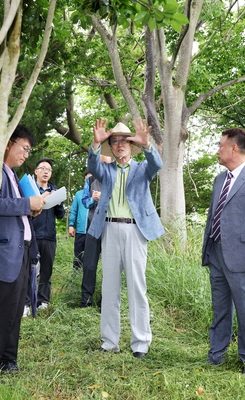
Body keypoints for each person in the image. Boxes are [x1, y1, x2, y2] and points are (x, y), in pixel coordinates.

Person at [87, 118, 164, 359]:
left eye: (124, 141)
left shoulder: (142, 169)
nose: (120, 144)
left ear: (132, 146)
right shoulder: (106, 170)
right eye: (115, 141)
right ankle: (110, 341)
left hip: (135, 230)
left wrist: (148, 144)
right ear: (111, 146)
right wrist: (95, 144)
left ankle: (140, 342)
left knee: (137, 287)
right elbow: (93, 164)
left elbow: (158, 164)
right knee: (109, 288)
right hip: (109, 229)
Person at [201, 128, 245, 375]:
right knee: (220, 309)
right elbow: (213, 216)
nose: (218, 150)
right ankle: (216, 354)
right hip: (218, 255)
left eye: (220, 145)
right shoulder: (220, 179)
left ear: (234, 148)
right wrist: (208, 250)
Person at [0, 125, 45, 377]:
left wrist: (30, 208)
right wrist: (27, 203)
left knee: (15, 308)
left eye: (29, 151)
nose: (26, 155)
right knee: (0, 308)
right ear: (8, 143)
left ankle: (7, 358)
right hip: (3, 252)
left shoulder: (12, 175)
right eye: (24, 148)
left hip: (21, 250)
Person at [28, 158, 65, 313]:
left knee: (46, 271)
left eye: (48, 170)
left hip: (49, 236)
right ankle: (27, 301)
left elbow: (61, 215)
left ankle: (43, 300)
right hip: (32, 235)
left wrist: (57, 201)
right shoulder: (30, 190)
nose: (45, 172)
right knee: (29, 269)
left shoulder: (54, 190)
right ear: (36, 171)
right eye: (42, 168)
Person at [80, 155, 112, 308]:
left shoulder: (116, 179)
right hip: (93, 228)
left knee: (110, 266)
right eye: (101, 164)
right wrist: (93, 199)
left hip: (111, 229)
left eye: (106, 163)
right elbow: (84, 202)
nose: (103, 167)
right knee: (89, 266)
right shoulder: (90, 180)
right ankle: (85, 300)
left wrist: (106, 198)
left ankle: (104, 302)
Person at [68, 173, 91, 270]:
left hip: (93, 232)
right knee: (78, 257)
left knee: (90, 258)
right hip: (80, 231)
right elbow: (74, 210)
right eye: (87, 178)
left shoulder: (98, 193)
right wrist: (71, 225)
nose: (89, 180)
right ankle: (75, 279)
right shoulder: (79, 194)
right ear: (85, 180)